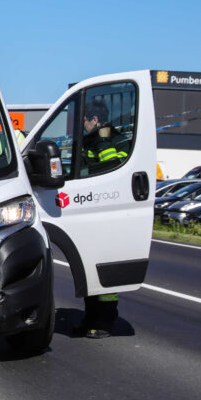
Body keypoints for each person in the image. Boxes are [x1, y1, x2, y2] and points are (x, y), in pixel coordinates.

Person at [78, 99, 129, 338]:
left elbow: (109, 171)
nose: (83, 126)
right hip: (90, 212)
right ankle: (91, 319)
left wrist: (103, 141)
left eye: (85, 121)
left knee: (105, 277)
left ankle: (105, 322)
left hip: (108, 214)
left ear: (95, 121)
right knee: (89, 271)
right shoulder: (91, 141)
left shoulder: (111, 140)